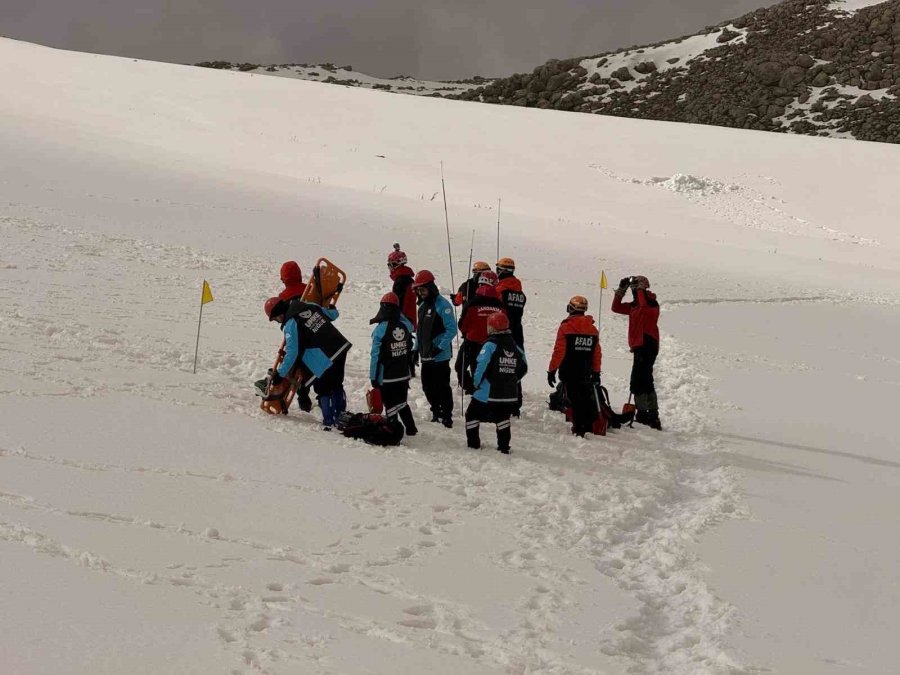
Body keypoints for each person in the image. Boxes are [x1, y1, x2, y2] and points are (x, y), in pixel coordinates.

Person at [265, 296, 351, 430]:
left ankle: (330, 421)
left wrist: (280, 374)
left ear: (279, 315)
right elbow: (333, 315)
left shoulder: (290, 324)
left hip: (322, 358)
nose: (277, 322)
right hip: (339, 347)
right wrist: (332, 309)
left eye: (275, 319)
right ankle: (341, 414)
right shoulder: (308, 305)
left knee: (323, 389)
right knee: (337, 384)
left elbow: (292, 353)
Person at [466, 313, 527, 454]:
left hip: (488, 392)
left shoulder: (490, 345)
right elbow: (524, 367)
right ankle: (504, 447)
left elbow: (481, 366)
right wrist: (512, 380)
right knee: (503, 418)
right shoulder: (515, 345)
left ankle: (473, 445)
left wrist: (475, 383)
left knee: (472, 415)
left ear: (492, 327)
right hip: (508, 394)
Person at [547, 295, 602, 437]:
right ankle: (588, 424)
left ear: (571, 308)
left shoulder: (566, 327)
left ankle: (579, 428)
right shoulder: (592, 330)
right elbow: (597, 353)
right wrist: (596, 371)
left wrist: (552, 370)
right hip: (586, 371)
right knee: (585, 397)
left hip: (569, 370)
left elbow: (559, 351)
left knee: (574, 399)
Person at [612, 275, 661, 430]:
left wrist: (639, 289)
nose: (634, 291)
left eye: (636, 288)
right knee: (645, 379)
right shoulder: (635, 305)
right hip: (640, 345)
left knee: (639, 380)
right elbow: (616, 308)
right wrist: (621, 290)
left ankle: (644, 414)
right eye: (633, 288)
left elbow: (644, 308)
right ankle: (651, 415)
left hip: (647, 343)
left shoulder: (651, 303)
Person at [369, 292, 418, 436]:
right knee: (402, 401)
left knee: (389, 404)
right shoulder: (405, 325)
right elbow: (410, 325)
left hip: (387, 376)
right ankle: (411, 428)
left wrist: (373, 376)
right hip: (403, 373)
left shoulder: (380, 329)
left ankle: (393, 428)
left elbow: (375, 356)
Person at [413, 269, 457, 428]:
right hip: (426, 355)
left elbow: (451, 329)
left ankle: (446, 415)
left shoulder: (443, 305)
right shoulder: (422, 306)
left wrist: (440, 347)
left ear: (430, 287)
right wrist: (415, 349)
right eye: (418, 290)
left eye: (423, 289)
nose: (420, 292)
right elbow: (420, 331)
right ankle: (436, 411)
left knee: (442, 387)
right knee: (427, 387)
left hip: (440, 356)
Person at [456, 270, 504, 393]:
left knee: (461, 366)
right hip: (493, 344)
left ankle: (471, 388)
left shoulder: (472, 303)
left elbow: (462, 325)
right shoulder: (500, 305)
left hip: (471, 342)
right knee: (486, 371)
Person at [276, 261, 312, 411]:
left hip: (296, 335)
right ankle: (305, 394)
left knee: (295, 362)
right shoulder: (309, 289)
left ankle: (299, 395)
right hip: (314, 332)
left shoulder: (283, 297)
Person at [496, 257, 527, 414]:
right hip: (518, 332)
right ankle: (516, 403)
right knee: (516, 366)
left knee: (502, 366)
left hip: (502, 332)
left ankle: (502, 401)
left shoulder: (500, 290)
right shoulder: (520, 293)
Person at [387, 244, 417, 328]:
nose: (390, 268)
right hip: (409, 321)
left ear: (396, 265)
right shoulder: (409, 279)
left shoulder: (400, 282)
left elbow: (397, 305)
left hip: (402, 322)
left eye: (390, 265)